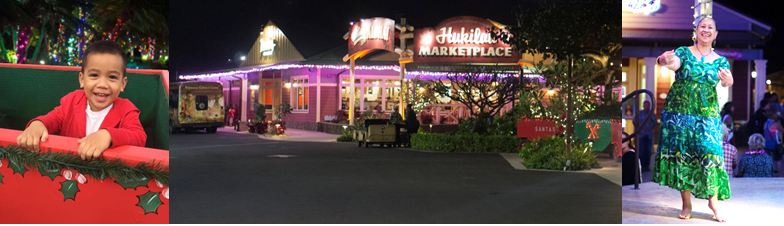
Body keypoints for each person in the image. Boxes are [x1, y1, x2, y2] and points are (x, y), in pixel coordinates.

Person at [653, 17, 732, 222]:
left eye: (710, 28)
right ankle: (686, 204)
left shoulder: (721, 60)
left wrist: (729, 81)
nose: (706, 30)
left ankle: (713, 201)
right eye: (702, 27)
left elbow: (726, 82)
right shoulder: (683, 52)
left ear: (715, 34)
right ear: (695, 31)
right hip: (680, 113)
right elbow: (673, 63)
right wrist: (665, 60)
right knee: (684, 154)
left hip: (707, 115)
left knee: (710, 153)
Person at [16, 40, 147, 160]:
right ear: (82, 79)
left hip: (104, 177)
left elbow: (139, 136)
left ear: (123, 84)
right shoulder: (72, 101)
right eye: (94, 75)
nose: (102, 84)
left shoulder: (126, 109)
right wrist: (38, 124)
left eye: (112, 77)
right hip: (69, 171)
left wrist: (108, 135)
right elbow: (53, 118)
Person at [634, 100, 655, 172]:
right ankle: (641, 166)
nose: (646, 107)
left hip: (648, 135)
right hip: (641, 135)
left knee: (648, 151)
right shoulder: (639, 113)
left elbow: (654, 123)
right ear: (643, 105)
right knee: (641, 151)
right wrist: (638, 129)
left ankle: (647, 166)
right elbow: (634, 121)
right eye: (645, 105)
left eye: (648, 105)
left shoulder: (652, 114)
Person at [763, 108, 783, 174]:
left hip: (767, 143)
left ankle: (772, 172)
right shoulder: (776, 124)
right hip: (776, 143)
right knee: (778, 159)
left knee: (770, 159)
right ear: (774, 115)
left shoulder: (766, 123)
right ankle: (779, 174)